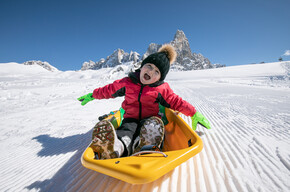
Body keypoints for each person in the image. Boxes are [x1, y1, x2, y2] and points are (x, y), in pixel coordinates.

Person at [78, 44, 211, 159]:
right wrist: (93, 95)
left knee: (153, 128)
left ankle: (146, 146)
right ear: (141, 67)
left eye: (157, 71)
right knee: (126, 132)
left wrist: (193, 113)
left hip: (150, 119)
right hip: (130, 118)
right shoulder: (127, 82)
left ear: (160, 78)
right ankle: (116, 148)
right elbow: (109, 90)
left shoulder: (161, 89)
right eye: (149, 66)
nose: (151, 72)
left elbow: (176, 102)